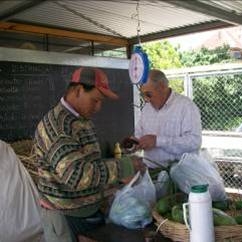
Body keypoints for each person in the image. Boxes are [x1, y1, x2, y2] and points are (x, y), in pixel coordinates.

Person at [34, 67, 143, 242]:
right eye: (95, 100)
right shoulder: (59, 126)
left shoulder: (80, 119)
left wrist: (113, 184)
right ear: (78, 90)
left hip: (88, 211)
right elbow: (76, 175)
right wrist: (125, 166)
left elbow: (89, 164)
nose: (98, 107)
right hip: (66, 217)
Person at [133, 69, 202, 168]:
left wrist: (158, 141)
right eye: (142, 95)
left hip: (180, 173)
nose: (146, 99)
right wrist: (135, 143)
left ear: (162, 87)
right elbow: (139, 133)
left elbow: (194, 142)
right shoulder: (147, 108)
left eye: (148, 94)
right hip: (152, 170)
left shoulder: (186, 106)